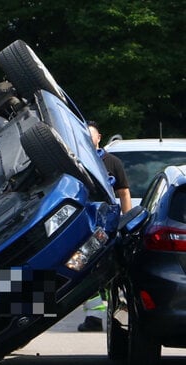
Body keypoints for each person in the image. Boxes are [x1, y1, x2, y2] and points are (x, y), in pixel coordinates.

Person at [78, 121, 132, 332]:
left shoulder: (112, 162)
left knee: (110, 272)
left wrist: (127, 221)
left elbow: (124, 192)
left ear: (99, 137)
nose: (89, 141)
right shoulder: (77, 160)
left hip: (107, 227)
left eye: (92, 137)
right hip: (84, 228)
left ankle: (113, 317)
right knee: (85, 269)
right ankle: (93, 317)